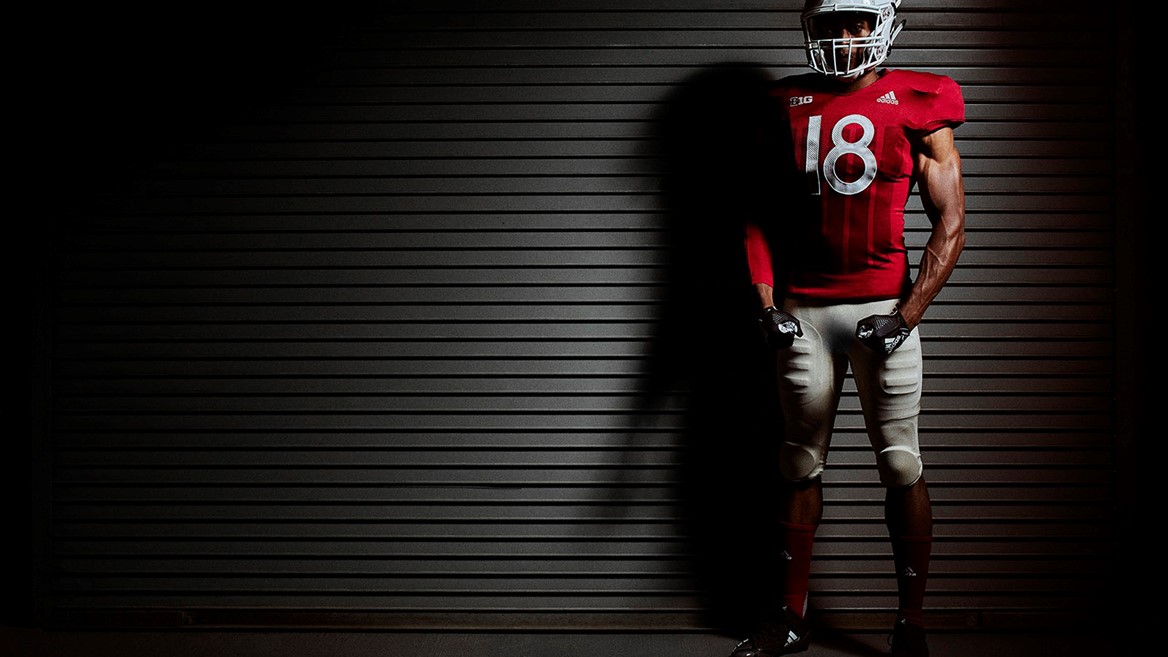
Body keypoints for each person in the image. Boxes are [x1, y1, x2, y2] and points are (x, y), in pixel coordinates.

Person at [728, 1, 965, 656]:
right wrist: (765, 303)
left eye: (858, 20)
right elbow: (757, 213)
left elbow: (951, 220)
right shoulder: (784, 102)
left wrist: (907, 314)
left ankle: (910, 623)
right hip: (803, 309)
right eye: (833, 21)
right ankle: (792, 616)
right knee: (798, 461)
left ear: (885, 22)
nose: (844, 35)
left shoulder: (923, 96)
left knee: (901, 461)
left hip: (880, 309)